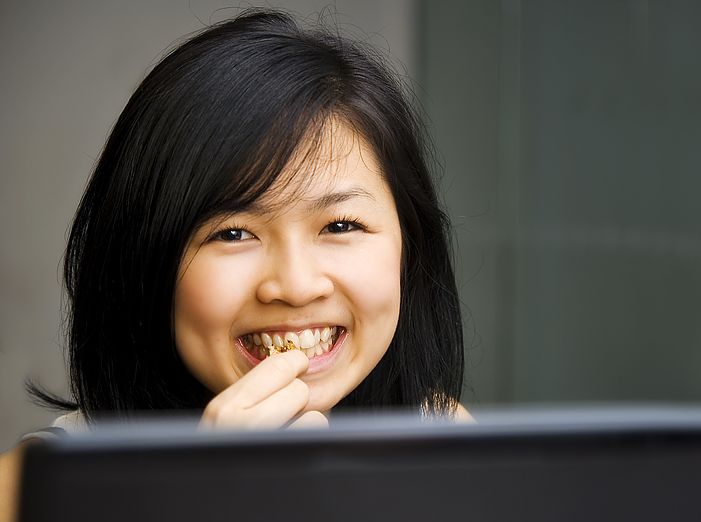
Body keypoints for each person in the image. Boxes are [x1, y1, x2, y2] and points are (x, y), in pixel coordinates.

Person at [26, 8, 469, 430]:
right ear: (142, 261)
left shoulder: (445, 440)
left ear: (409, 246)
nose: (296, 287)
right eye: (234, 233)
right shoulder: (33, 495)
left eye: (340, 226)